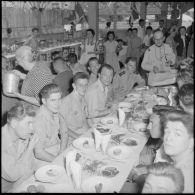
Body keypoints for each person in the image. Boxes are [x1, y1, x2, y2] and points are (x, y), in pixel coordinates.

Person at [1, 103, 38, 192]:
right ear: (14, 123)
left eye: (33, 124)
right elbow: (13, 176)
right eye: (28, 123)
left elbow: (30, 164)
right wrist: (30, 148)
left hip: (22, 179)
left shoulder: (22, 135)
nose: (32, 128)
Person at [162, 110, 194, 193]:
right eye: (167, 131)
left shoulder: (179, 180)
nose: (168, 138)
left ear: (191, 142)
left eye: (177, 134)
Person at [33, 84, 65, 163]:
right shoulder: (39, 120)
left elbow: (64, 132)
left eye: (59, 99)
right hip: (43, 157)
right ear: (44, 101)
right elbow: (38, 153)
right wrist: (59, 161)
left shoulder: (54, 110)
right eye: (53, 100)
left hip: (56, 147)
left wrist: (62, 151)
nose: (57, 104)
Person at [60, 72, 89, 141]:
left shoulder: (83, 98)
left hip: (83, 133)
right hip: (71, 138)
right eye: (80, 85)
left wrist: (90, 132)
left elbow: (84, 120)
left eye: (86, 85)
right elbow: (61, 128)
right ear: (74, 86)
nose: (84, 88)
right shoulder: (65, 102)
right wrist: (79, 137)